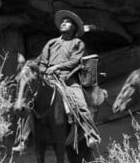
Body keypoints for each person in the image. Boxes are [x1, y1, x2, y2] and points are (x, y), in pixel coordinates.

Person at [12, 10, 101, 153]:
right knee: (31, 102)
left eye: (68, 22)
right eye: (63, 21)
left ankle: (91, 134)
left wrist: (57, 67)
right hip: (49, 79)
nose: (64, 23)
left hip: (69, 80)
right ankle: (24, 139)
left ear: (74, 28)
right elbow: (42, 60)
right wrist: (36, 67)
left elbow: (74, 61)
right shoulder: (51, 43)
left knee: (81, 104)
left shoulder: (78, 43)